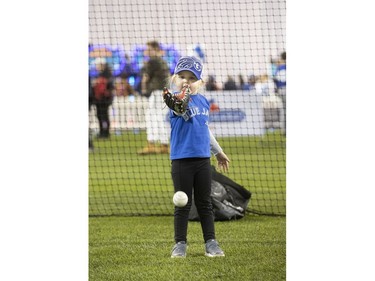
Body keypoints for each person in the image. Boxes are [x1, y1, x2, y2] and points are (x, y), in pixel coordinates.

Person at [163, 56, 230, 258]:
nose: (186, 81)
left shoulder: (202, 101)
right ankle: (180, 244)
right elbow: (178, 108)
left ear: (200, 82)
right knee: (182, 203)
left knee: (205, 204)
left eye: (192, 78)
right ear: (175, 79)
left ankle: (211, 243)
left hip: (202, 160)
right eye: (182, 76)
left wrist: (218, 152)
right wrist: (179, 101)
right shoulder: (174, 100)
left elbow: (205, 129)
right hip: (181, 160)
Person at [138, 40, 171, 154]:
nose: (146, 51)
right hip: (166, 92)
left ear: (155, 49)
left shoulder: (152, 61)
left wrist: (143, 90)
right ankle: (164, 145)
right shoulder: (163, 61)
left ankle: (151, 145)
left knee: (151, 117)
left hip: (157, 93)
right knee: (160, 119)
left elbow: (145, 77)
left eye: (149, 49)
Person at [93, 58, 114, 139]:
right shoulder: (105, 74)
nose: (97, 67)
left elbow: (106, 87)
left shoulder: (105, 74)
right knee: (102, 116)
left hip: (103, 99)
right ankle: (103, 132)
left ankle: (105, 133)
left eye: (98, 65)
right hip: (102, 99)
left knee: (103, 116)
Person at [274, 51, 286, 134]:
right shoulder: (282, 67)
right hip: (284, 89)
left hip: (281, 90)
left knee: (284, 110)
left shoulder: (279, 68)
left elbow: (275, 79)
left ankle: (284, 130)